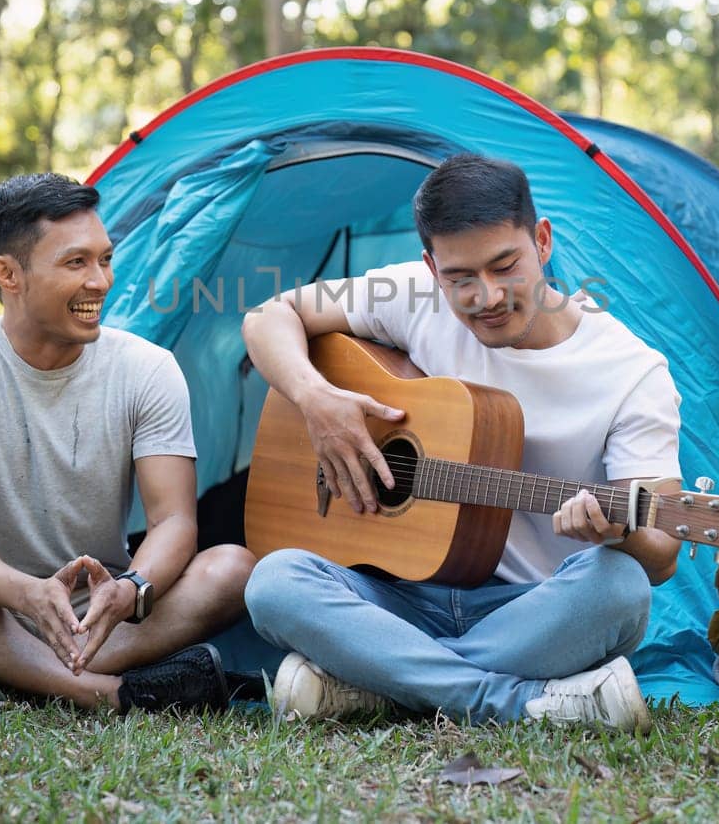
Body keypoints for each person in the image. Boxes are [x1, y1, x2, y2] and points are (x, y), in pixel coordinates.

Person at [241, 153, 682, 731]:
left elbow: (662, 551)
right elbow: (268, 316)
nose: (488, 296)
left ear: (542, 241)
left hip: (531, 610)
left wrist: (620, 532)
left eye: (505, 266)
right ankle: (514, 703)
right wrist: (315, 400)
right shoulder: (412, 295)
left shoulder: (630, 372)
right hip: (396, 601)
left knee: (620, 587)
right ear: (431, 267)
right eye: (460, 279)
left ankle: (377, 683)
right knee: (274, 581)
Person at [0, 172, 255, 711]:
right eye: (75, 263)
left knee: (233, 569)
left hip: (100, 616)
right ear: (7, 274)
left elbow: (174, 522)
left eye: (105, 259)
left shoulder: (148, 369)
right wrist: (26, 594)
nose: (101, 282)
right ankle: (107, 694)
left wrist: (131, 590)